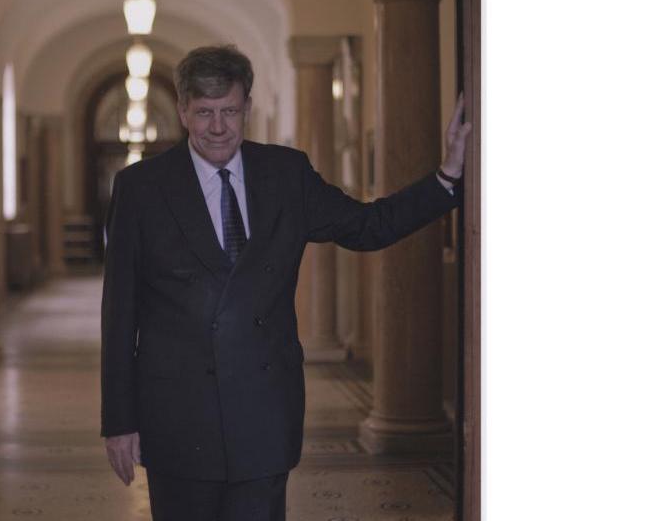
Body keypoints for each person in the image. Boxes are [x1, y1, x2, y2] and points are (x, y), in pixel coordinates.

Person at [100, 45, 471, 520]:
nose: (218, 127)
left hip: (263, 409)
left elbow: (368, 225)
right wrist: (120, 421)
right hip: (177, 414)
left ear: (248, 107)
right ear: (182, 111)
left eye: (230, 111)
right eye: (205, 113)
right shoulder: (141, 188)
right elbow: (119, 311)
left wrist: (447, 176)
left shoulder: (285, 174)